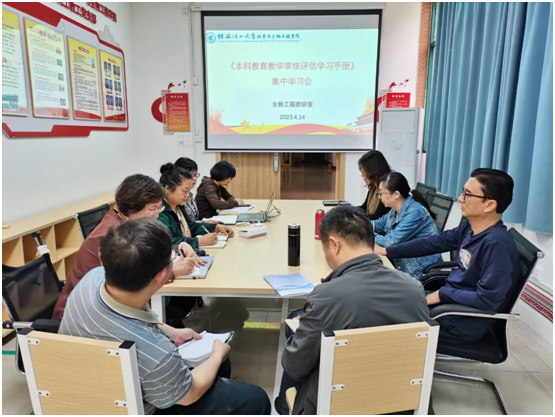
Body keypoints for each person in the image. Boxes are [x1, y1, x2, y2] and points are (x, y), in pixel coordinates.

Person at [59, 218, 271, 415]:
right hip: (135, 407)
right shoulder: (157, 354)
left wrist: (171, 331)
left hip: (81, 392)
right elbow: (190, 394)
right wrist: (217, 354)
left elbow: (126, 320)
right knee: (255, 398)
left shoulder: (91, 279)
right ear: (163, 275)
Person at [275, 205, 430, 415]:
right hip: (401, 406)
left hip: (336, 407)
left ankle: (284, 408)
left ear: (334, 244)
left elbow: (294, 367)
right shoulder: (414, 288)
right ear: (372, 242)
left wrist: (300, 334)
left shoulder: (325, 297)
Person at [377, 169, 519, 343]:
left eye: (467, 194)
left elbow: (487, 299)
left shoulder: (496, 244)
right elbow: (432, 243)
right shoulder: (469, 228)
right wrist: (387, 251)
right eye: (462, 192)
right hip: (448, 304)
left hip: (459, 320)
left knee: (382, 313)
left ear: (489, 205)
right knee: (385, 298)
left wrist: (442, 294)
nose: (460, 198)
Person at [52, 174, 199, 321]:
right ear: (132, 208)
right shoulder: (111, 236)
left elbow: (148, 249)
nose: (156, 216)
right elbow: (123, 286)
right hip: (80, 316)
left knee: (178, 306)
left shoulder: (126, 223)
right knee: (173, 312)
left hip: (103, 308)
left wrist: (180, 246)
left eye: (158, 209)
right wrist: (170, 272)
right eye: (153, 209)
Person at [372, 172, 443, 278]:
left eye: (381, 193)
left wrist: (367, 235)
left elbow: (390, 242)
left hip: (419, 272)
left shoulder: (414, 212)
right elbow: (378, 224)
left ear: (396, 194)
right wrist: (356, 225)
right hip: (402, 265)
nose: (379, 197)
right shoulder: (395, 210)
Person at [157, 163, 234, 249]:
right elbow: (169, 242)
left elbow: (192, 226)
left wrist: (216, 227)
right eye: (184, 191)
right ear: (168, 189)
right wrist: (199, 242)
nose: (187, 195)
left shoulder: (178, 205)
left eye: (189, 191)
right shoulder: (160, 212)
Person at [174, 157, 217, 224]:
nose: (194, 178)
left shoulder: (190, 195)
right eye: (191, 175)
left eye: (195, 175)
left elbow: (193, 221)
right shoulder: (178, 198)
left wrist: (204, 223)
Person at [358, 150, 391, 220]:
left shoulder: (387, 189)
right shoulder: (373, 187)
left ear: (372, 170)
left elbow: (376, 217)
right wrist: (347, 211)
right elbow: (364, 208)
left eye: (363, 171)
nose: (362, 175)